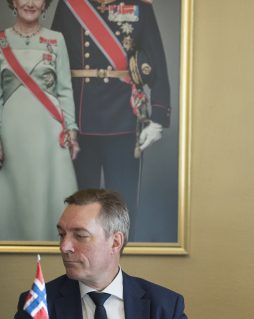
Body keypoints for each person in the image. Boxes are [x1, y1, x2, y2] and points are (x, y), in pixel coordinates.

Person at [1, 189, 214, 319]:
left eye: (80, 235)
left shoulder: (164, 305)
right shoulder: (39, 304)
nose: (64, 247)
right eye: (62, 234)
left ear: (115, 242)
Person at [51, 0, 171, 240]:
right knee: (80, 204)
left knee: (123, 204)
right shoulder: (70, 6)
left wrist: (158, 118)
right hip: (78, 122)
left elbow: (156, 59)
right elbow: (53, 61)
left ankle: (123, 259)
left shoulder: (140, 7)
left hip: (124, 120)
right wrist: (53, 116)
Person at [0, 0, 80, 241]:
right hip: (12, 131)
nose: (30, 3)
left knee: (47, 193)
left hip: (49, 131)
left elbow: (65, 89)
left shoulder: (56, 39)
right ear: (13, 3)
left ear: (45, 4)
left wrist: (71, 129)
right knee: (14, 195)